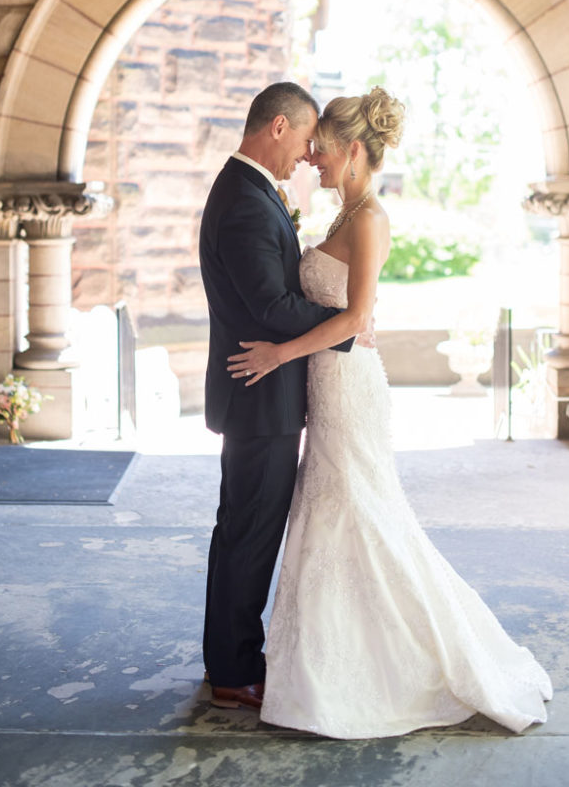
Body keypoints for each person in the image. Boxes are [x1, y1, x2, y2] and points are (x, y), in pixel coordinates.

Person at [227, 86, 553, 738]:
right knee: (333, 517)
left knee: (360, 513)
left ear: (352, 150)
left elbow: (355, 317)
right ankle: (330, 661)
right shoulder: (344, 216)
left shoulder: (369, 217)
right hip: (326, 382)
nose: (311, 160)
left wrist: (279, 353)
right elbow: (342, 309)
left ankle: (408, 661)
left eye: (320, 152)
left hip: (348, 387)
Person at [199, 81, 354, 711]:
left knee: (244, 527)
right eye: (307, 137)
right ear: (280, 126)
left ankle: (232, 655)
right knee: (250, 532)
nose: (307, 156)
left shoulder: (253, 193)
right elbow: (268, 304)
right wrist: (344, 329)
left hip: (259, 395)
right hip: (258, 397)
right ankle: (234, 670)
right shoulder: (244, 201)